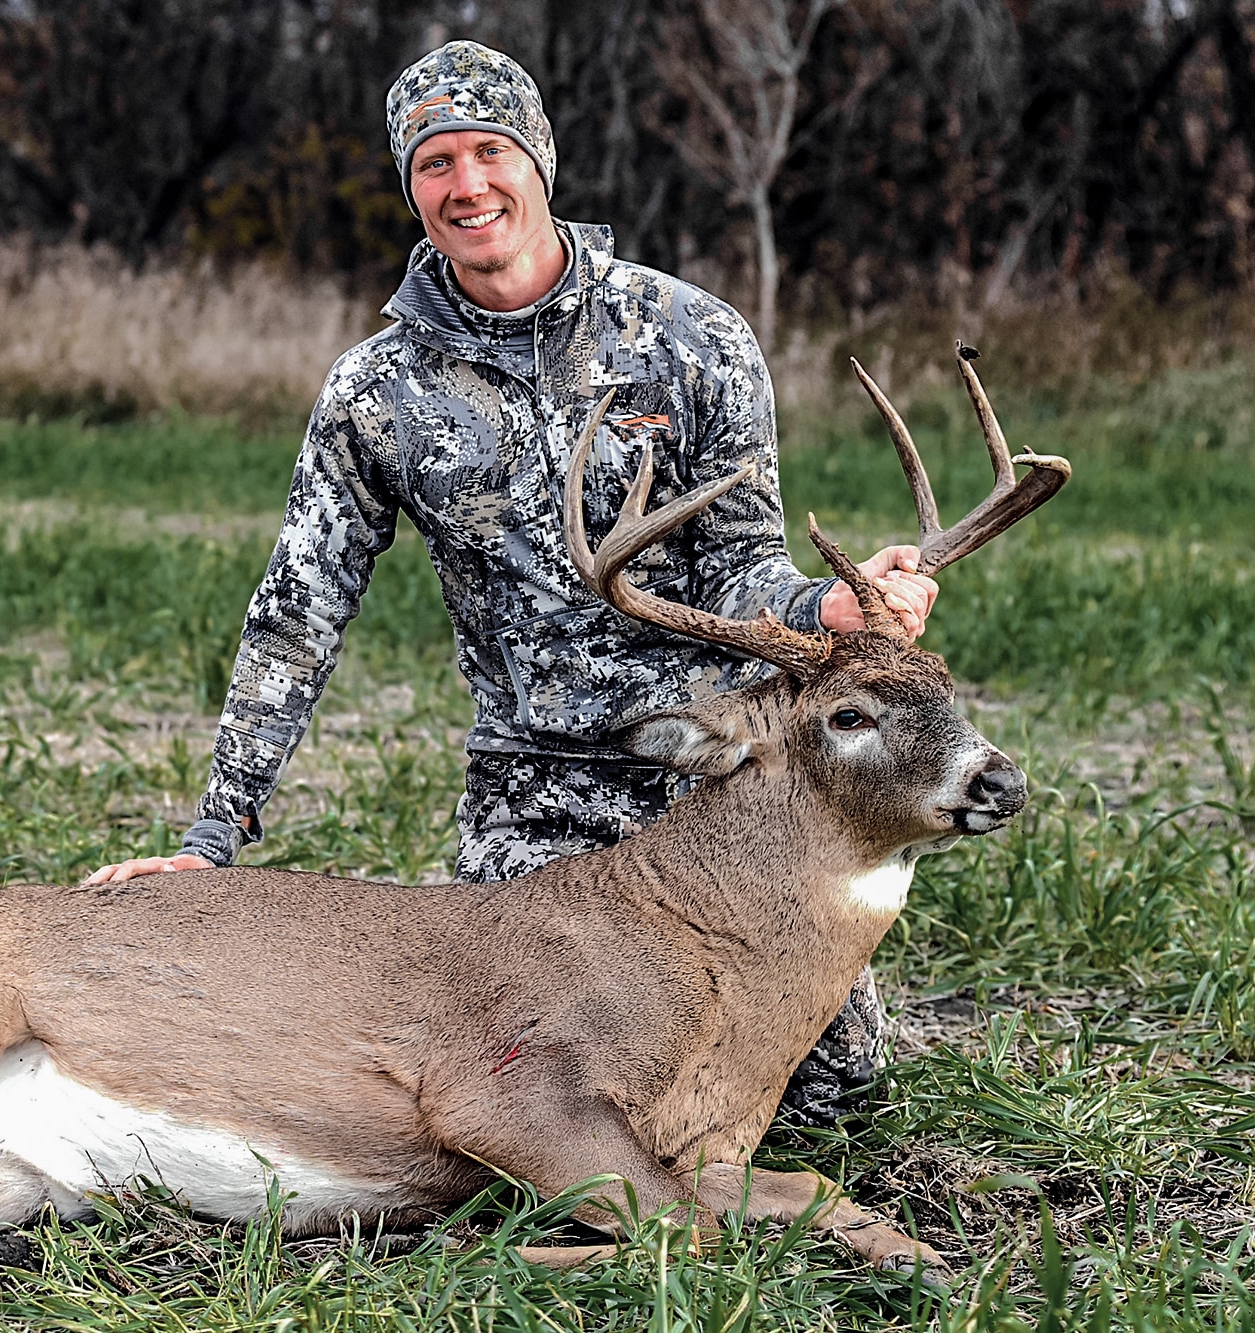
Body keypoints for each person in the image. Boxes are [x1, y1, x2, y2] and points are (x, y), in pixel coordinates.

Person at [85, 40, 938, 1128]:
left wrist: (827, 605)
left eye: (489, 151)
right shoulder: (378, 391)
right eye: (434, 164)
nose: (467, 185)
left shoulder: (690, 338)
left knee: (832, 1098)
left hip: (717, 773)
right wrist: (210, 840)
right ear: (411, 189)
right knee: (524, 1092)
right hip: (535, 794)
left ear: (539, 161)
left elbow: (739, 560)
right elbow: (296, 616)